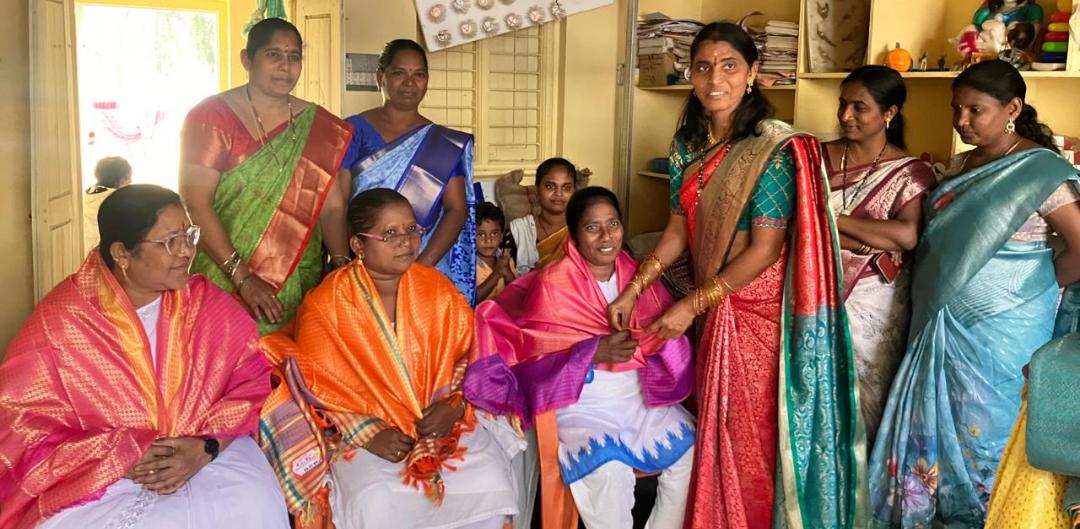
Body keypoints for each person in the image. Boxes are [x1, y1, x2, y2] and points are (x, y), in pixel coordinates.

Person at [605, 22, 864, 529]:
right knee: (713, 422)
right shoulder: (686, 144)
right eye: (703, 67)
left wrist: (689, 305)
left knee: (749, 433)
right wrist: (634, 288)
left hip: (754, 311)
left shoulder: (771, 148)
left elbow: (765, 250)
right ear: (691, 74)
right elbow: (678, 229)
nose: (714, 79)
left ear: (752, 74)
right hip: (712, 301)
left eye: (729, 66)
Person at [867, 59, 1080, 528]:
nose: (961, 121)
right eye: (955, 109)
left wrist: (1031, 288)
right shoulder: (960, 167)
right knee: (939, 427)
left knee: (990, 428)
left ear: (1012, 109)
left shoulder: (1041, 172)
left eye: (974, 110)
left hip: (1008, 327)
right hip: (941, 319)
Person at [0, 184, 287, 529]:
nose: (187, 251)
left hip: (207, 450)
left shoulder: (204, 304)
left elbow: (249, 383)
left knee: (254, 506)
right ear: (122, 254)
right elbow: (22, 429)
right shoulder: (63, 322)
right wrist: (119, 453)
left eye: (189, 235)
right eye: (170, 242)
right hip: (98, 475)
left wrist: (205, 449)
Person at [258, 188, 519, 529]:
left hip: (439, 421)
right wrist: (368, 434)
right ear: (358, 245)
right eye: (390, 233)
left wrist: (453, 406)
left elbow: (468, 356)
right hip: (363, 432)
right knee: (374, 500)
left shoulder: (436, 288)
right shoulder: (326, 305)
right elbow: (318, 387)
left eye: (411, 229)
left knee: (490, 478)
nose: (405, 241)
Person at [467, 187, 695, 529]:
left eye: (613, 224)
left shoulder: (638, 277)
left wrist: (653, 341)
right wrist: (592, 352)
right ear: (573, 234)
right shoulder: (553, 284)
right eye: (592, 227)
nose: (606, 236)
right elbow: (531, 364)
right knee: (609, 471)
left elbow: (666, 338)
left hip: (636, 399)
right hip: (581, 404)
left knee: (691, 450)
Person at [180, 17, 354, 335]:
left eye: (294, 56)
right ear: (247, 59)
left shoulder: (320, 125)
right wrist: (243, 277)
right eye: (273, 55)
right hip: (224, 278)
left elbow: (332, 206)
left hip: (297, 278)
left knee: (292, 361)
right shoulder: (211, 117)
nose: (285, 66)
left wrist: (342, 270)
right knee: (226, 359)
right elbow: (196, 203)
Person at [821, 65, 937, 443]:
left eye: (859, 107)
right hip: (812, 287)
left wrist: (833, 222)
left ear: (889, 113)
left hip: (874, 301)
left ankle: (859, 477)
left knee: (863, 400)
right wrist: (868, 240)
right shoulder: (816, 158)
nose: (845, 115)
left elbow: (906, 235)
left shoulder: (910, 173)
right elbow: (794, 224)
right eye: (842, 104)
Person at [339, 39, 476, 303]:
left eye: (419, 75)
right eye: (399, 73)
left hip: (424, 264)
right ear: (380, 77)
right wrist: (347, 261)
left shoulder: (443, 143)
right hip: (364, 264)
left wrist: (419, 268)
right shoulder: (353, 131)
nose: (410, 83)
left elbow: (456, 209)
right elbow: (339, 205)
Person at [509, 157, 578, 275]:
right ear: (537, 190)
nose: (559, 193)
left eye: (566, 188)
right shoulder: (520, 231)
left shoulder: (582, 231)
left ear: (574, 192)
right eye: (550, 186)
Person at [83, 156, 132, 251]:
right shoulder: (117, 199)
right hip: (106, 251)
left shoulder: (85, 195)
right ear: (121, 179)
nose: (130, 181)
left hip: (85, 249)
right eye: (129, 177)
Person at [476, 202, 516, 302]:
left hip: (505, 309)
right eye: (480, 235)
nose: (488, 240)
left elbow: (516, 291)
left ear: (502, 236)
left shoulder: (506, 259)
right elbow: (474, 299)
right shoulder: (469, 266)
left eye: (494, 234)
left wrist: (506, 271)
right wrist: (497, 273)